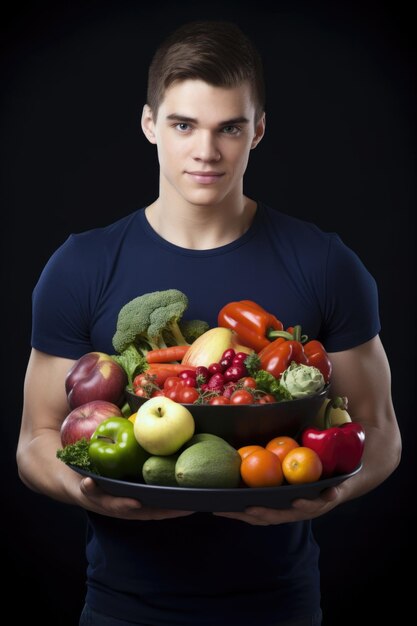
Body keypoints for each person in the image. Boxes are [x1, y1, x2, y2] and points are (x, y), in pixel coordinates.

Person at [16, 20, 401, 626]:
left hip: (279, 607)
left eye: (230, 127)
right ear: (150, 125)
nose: (206, 151)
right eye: (183, 125)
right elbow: (35, 440)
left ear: (259, 131)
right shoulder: (80, 265)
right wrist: (87, 493)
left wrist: (329, 496)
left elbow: (381, 431)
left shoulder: (325, 263)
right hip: (122, 609)